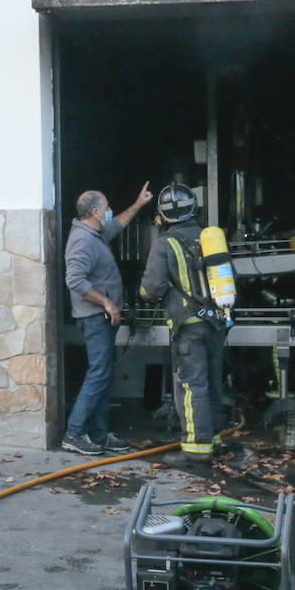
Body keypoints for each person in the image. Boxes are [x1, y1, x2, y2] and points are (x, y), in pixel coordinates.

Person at [139, 183, 227, 466]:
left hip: (188, 327)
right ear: (193, 208)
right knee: (212, 384)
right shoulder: (209, 238)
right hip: (216, 323)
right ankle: (213, 439)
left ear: (162, 215)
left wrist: (143, 293)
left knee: (191, 386)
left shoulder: (164, 244)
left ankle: (196, 449)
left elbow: (152, 288)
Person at [62, 181, 153, 455]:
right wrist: (106, 302)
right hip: (94, 318)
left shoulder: (96, 233)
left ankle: (99, 434)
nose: (110, 210)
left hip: (102, 318)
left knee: (103, 374)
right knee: (98, 373)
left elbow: (118, 225)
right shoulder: (82, 241)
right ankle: (74, 433)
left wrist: (137, 204)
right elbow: (74, 280)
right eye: (106, 207)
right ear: (95, 212)